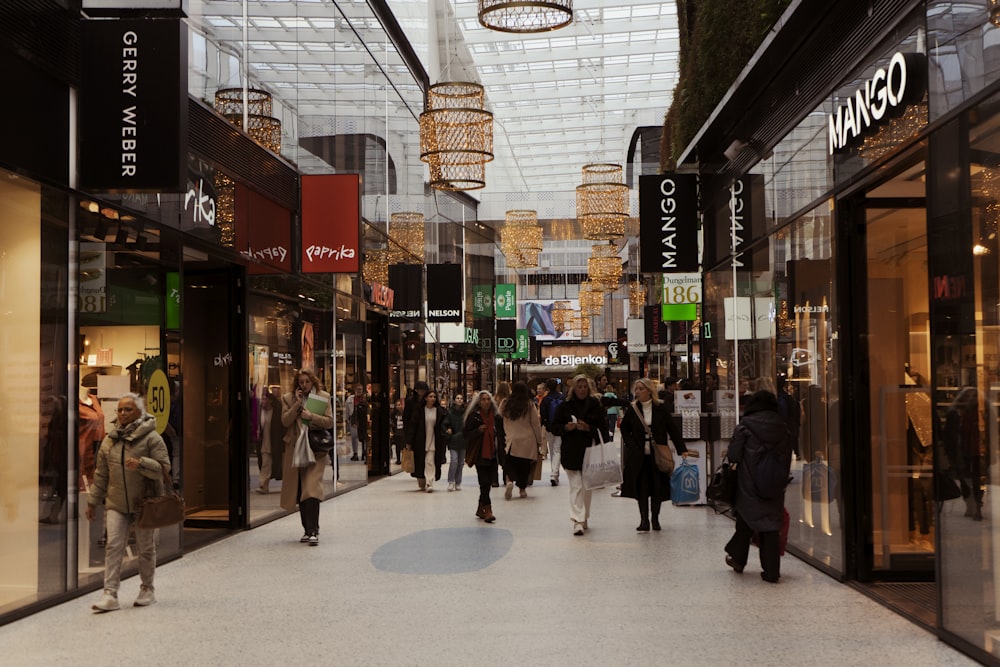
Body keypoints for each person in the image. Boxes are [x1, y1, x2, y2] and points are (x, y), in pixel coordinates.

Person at [86, 393, 171, 612]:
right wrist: (93, 501)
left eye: (128, 410)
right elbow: (101, 474)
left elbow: (164, 469)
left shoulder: (152, 438)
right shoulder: (110, 440)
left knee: (145, 548)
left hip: (144, 503)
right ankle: (110, 594)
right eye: (120, 410)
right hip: (116, 502)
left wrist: (142, 464)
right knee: (113, 546)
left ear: (139, 412)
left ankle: (147, 589)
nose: (123, 413)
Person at [724, 390, 793, 583]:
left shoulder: (745, 427)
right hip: (774, 482)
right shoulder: (783, 427)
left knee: (746, 515)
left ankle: (738, 558)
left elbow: (734, 456)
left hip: (749, 481)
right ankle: (771, 571)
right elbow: (787, 455)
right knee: (770, 524)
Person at [619, 377, 693, 532]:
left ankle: (655, 519)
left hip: (658, 455)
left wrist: (682, 449)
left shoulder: (660, 408)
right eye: (636, 389)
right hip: (639, 455)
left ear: (649, 391)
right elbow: (624, 428)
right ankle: (644, 520)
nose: (638, 392)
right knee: (642, 489)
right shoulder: (633, 409)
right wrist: (631, 444)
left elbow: (672, 429)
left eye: (641, 389)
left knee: (657, 488)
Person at [280, 369, 335, 546]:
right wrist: (296, 405)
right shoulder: (288, 398)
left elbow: (329, 421)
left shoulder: (322, 397)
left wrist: (312, 417)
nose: (304, 385)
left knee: (311, 488)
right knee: (301, 490)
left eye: (307, 382)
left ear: (313, 382)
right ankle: (307, 529)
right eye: (301, 382)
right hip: (297, 449)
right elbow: (285, 422)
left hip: (316, 449)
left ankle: (313, 531)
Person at [550, 374, 610, 536]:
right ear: (573, 388)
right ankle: (577, 520)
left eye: (585, 387)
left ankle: (584, 517)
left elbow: (603, 429)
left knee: (586, 487)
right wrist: (566, 428)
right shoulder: (565, 406)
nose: (582, 390)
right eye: (579, 386)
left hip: (589, 451)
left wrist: (588, 428)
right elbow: (554, 426)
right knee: (576, 486)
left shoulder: (594, 405)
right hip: (571, 451)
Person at [501, 381, 546, 500]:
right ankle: (522, 489)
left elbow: (500, 417)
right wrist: (539, 440)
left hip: (512, 439)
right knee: (524, 466)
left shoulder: (506, 403)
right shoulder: (529, 404)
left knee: (510, 463)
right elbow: (535, 423)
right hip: (527, 440)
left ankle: (509, 480)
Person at [463, 390, 502, 523]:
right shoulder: (474, 416)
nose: (486, 402)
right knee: (484, 483)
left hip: (492, 453)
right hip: (480, 453)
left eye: (488, 399)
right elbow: (466, 434)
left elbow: (501, 435)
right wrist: (478, 431)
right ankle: (488, 510)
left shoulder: (496, 416)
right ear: (479, 402)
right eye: (483, 399)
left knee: (488, 484)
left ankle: (481, 508)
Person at [405, 388, 447, 492]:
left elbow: (444, 425)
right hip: (420, 441)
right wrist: (409, 441)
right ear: (425, 398)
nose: (432, 399)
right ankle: (422, 480)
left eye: (434, 397)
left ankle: (429, 482)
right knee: (420, 462)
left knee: (430, 461)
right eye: (430, 397)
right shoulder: (419, 411)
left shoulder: (440, 411)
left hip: (434, 441)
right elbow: (413, 426)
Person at [256, 386, 286, 494]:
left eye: (265, 399)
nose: (263, 401)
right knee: (265, 465)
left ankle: (287, 486)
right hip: (264, 444)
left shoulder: (277, 411)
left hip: (276, 443)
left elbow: (282, 427)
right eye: (262, 399)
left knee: (281, 466)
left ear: (270, 401)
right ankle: (263, 486)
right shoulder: (261, 413)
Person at [538, 378, 563, 486]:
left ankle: (554, 473)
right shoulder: (562, 398)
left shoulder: (545, 400)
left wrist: (546, 424)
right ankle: (554, 473)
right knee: (557, 450)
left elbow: (543, 415)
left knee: (552, 449)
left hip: (550, 428)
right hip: (560, 427)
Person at [443, 394, 468, 491]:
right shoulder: (450, 413)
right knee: (454, 461)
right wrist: (448, 431)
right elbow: (445, 424)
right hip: (453, 440)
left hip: (463, 440)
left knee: (461, 463)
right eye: (457, 398)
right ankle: (451, 481)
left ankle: (458, 482)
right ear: (454, 401)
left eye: (461, 398)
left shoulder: (465, 413)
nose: (459, 400)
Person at [389, 398, 405, 464]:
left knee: (403, 446)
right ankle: (398, 459)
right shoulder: (394, 414)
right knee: (397, 446)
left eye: (399, 405)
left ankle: (404, 459)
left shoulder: (405, 413)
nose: (398, 406)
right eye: (397, 405)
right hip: (397, 432)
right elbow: (392, 422)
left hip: (403, 432)